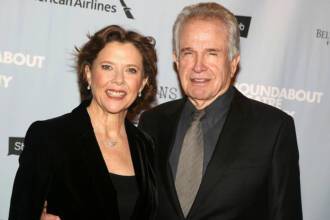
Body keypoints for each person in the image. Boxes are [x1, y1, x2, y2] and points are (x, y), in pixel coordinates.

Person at [139, 2, 303, 220]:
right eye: (188, 52)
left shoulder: (273, 129)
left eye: (212, 53)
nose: (198, 66)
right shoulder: (153, 122)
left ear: (233, 63)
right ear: (177, 61)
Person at [9, 25, 158, 220]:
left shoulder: (145, 145)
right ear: (88, 73)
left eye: (131, 70)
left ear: (143, 82)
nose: (118, 80)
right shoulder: (49, 137)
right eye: (107, 67)